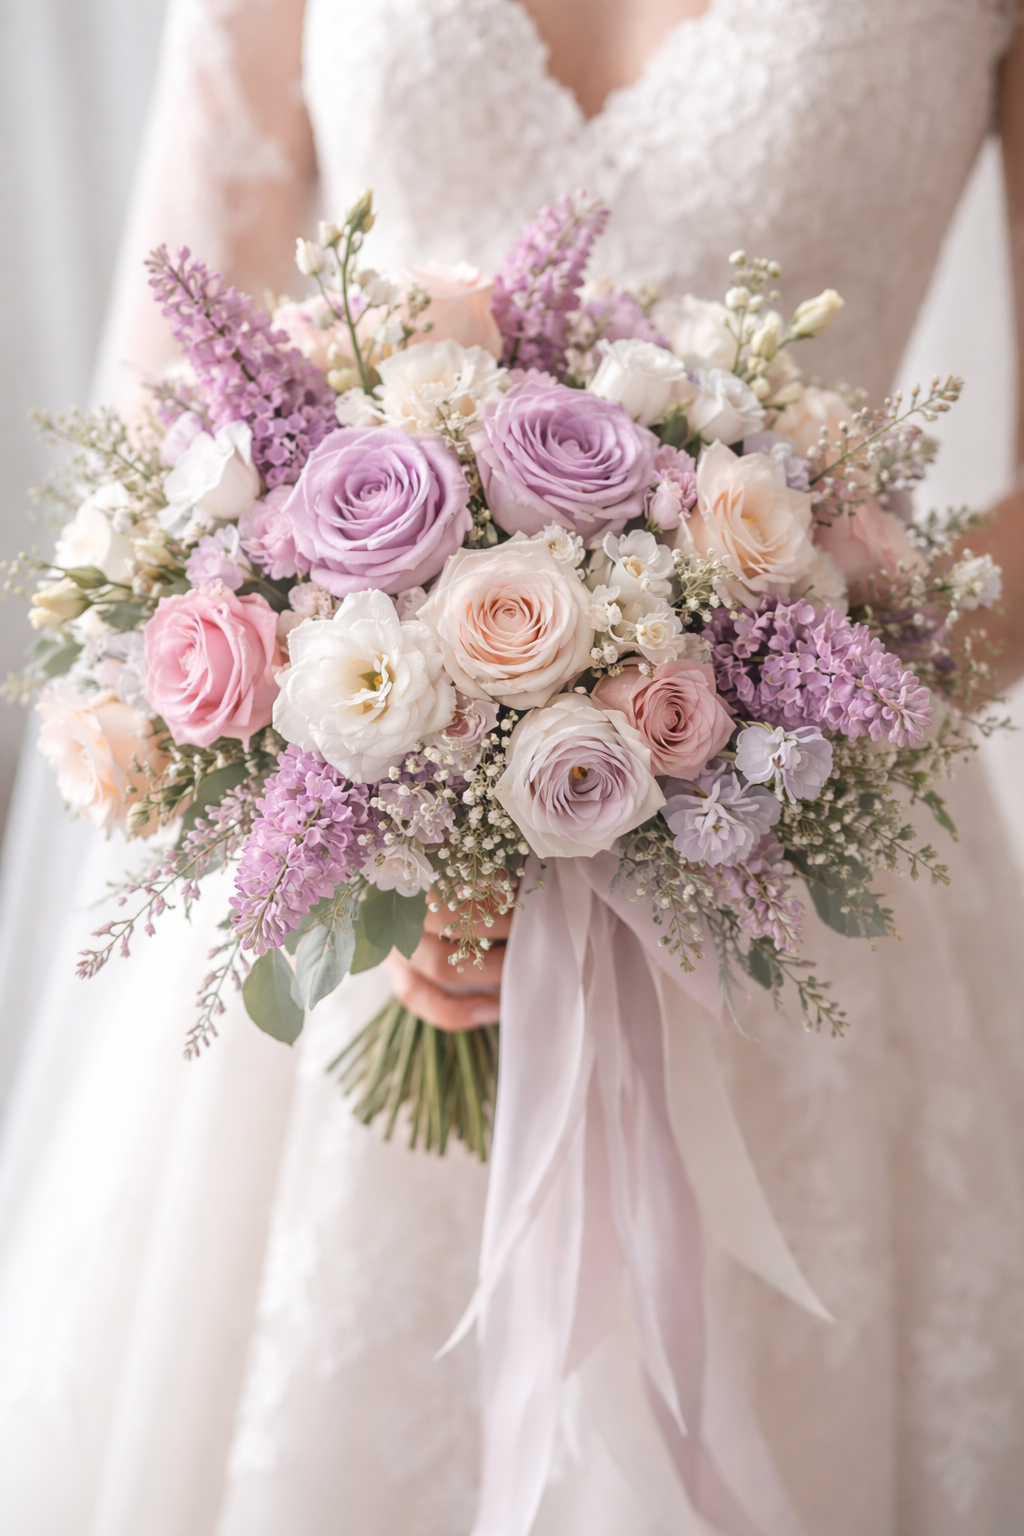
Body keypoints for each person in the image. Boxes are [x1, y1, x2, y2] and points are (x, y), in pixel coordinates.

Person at [0, 1, 1022, 1532]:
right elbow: (175, 410)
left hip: (804, 859)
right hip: (347, 840)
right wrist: (405, 793)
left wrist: (742, 712)